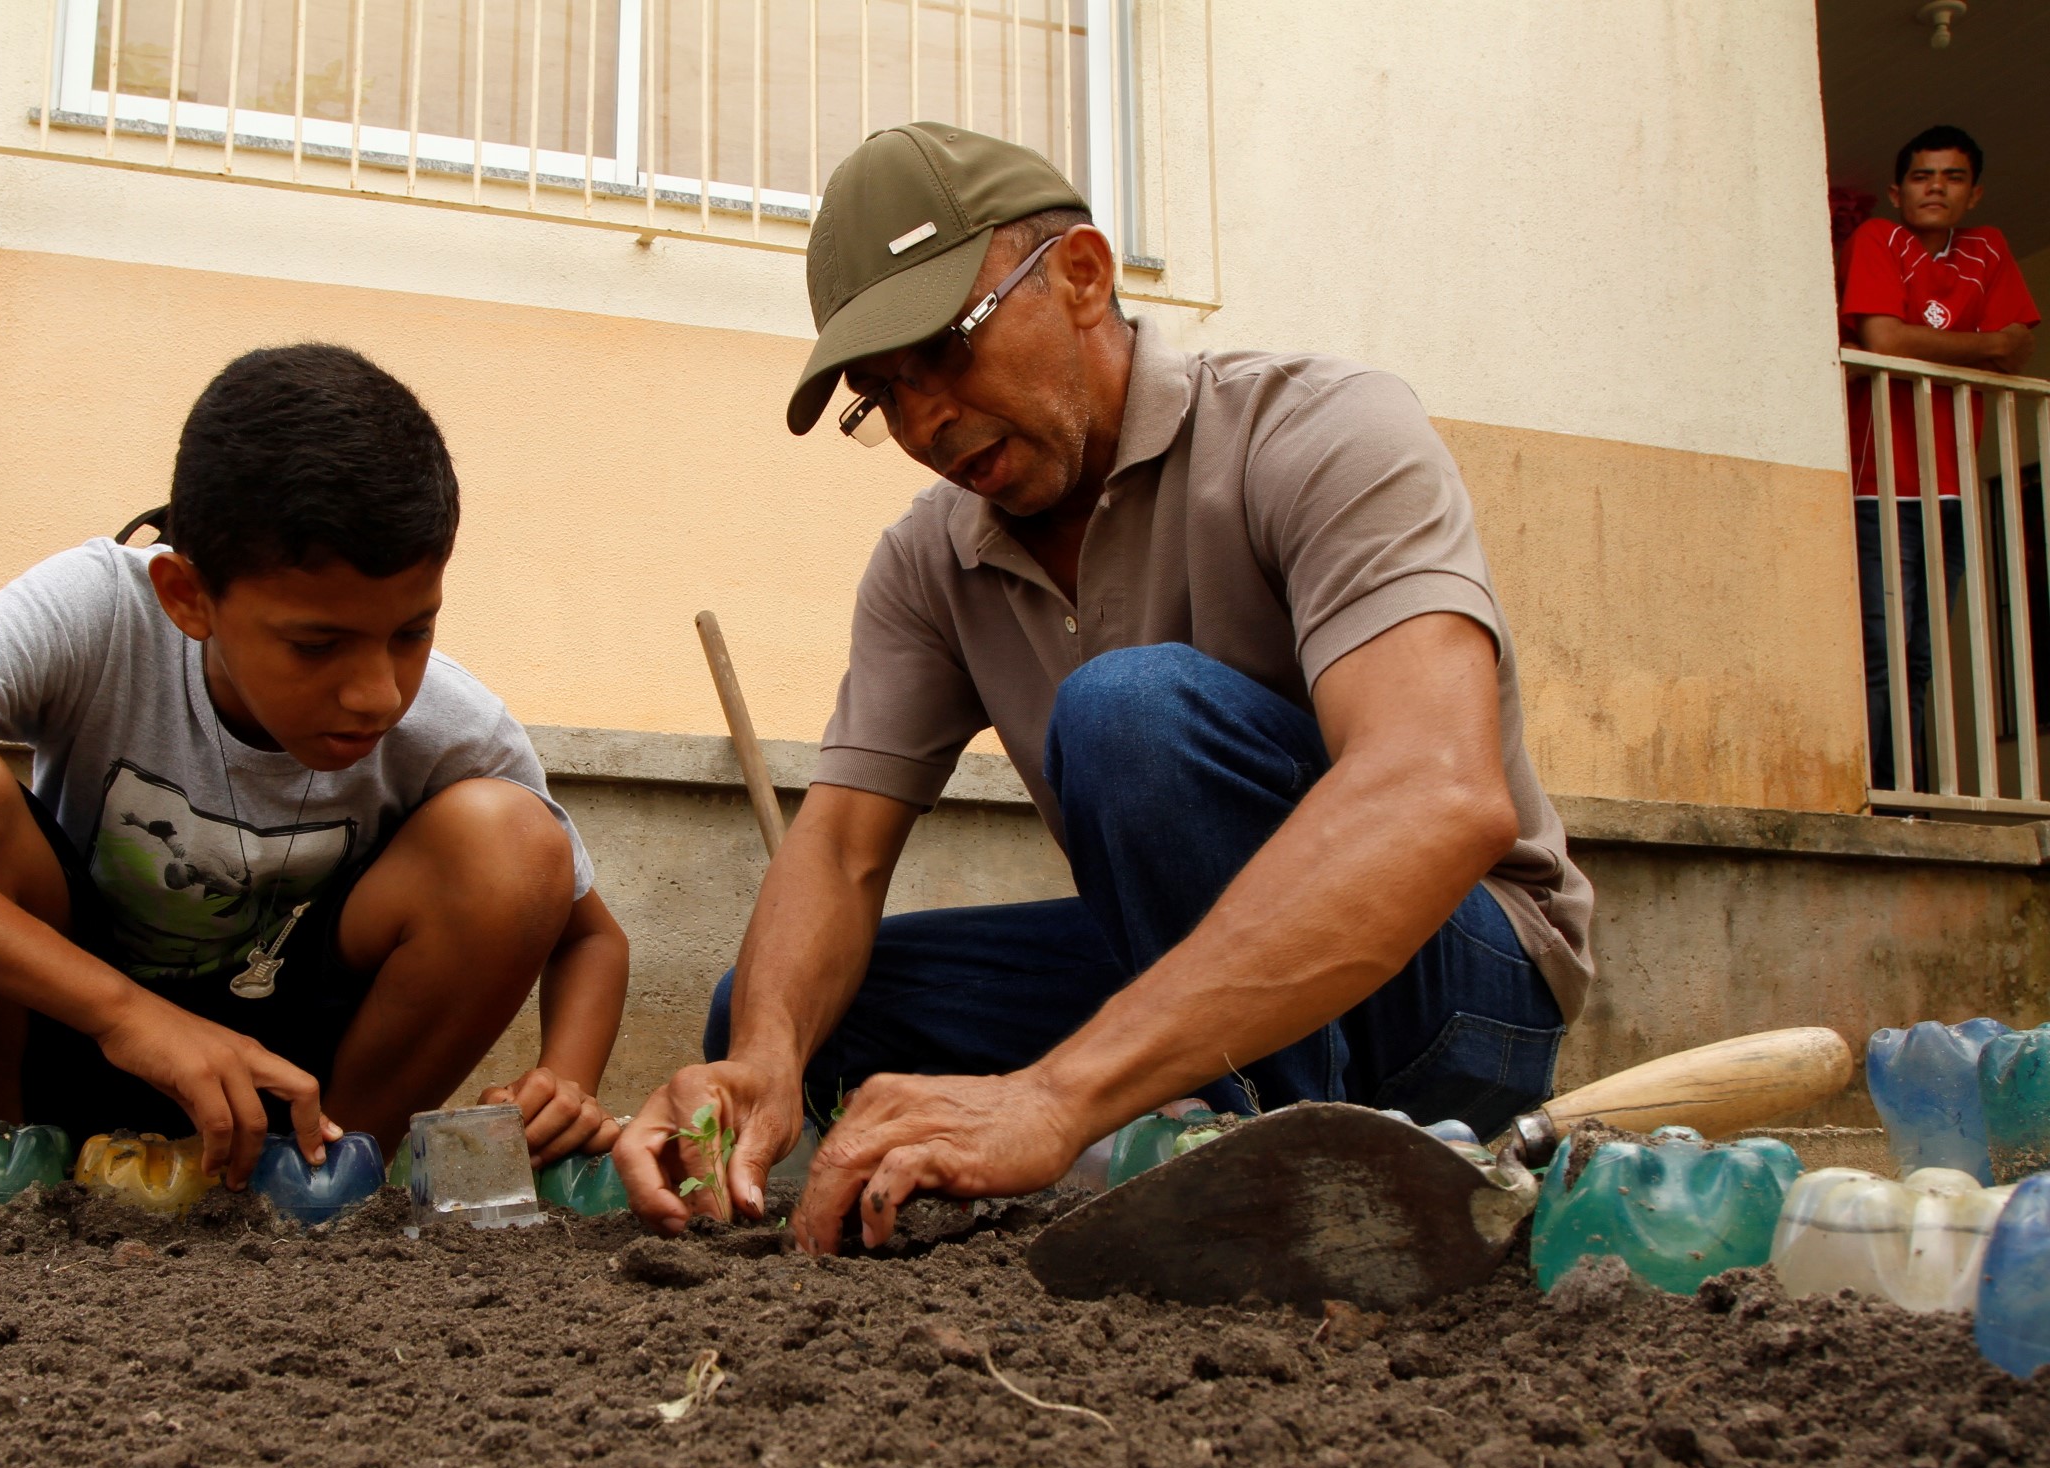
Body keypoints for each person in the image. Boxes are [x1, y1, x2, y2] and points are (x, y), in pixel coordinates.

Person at [611, 125, 1593, 1253]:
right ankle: (1181, 1129)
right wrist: (762, 1059)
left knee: (1128, 716)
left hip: (1459, 984)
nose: (923, 421)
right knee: (786, 1015)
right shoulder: (931, 561)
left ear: (1082, 275)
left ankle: (1286, 1192)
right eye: (881, 395)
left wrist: (1054, 1096)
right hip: (1189, 966)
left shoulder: (1317, 430)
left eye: (944, 351)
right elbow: (838, 848)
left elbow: (1435, 793)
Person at [0, 344, 630, 1184]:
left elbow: (590, 938)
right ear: (187, 596)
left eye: (412, 632)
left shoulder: (449, 722)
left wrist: (566, 1079)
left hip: (291, 1094)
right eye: (316, 645)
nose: (377, 693)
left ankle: (329, 1188)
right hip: (67, 1041)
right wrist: (125, 1014)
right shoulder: (97, 612)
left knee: (512, 838)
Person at [1840, 124, 2039, 793]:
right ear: (1897, 191)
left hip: (1950, 488)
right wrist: (1982, 344)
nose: (1936, 188)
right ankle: (1883, 800)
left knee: (1921, 656)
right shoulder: (1879, 237)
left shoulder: (1989, 249)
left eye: (1953, 176)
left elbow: (2017, 351)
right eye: (1922, 176)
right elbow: (1883, 337)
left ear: (1974, 193)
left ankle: (1910, 794)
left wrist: (1957, 344)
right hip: (1880, 485)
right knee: (1884, 650)